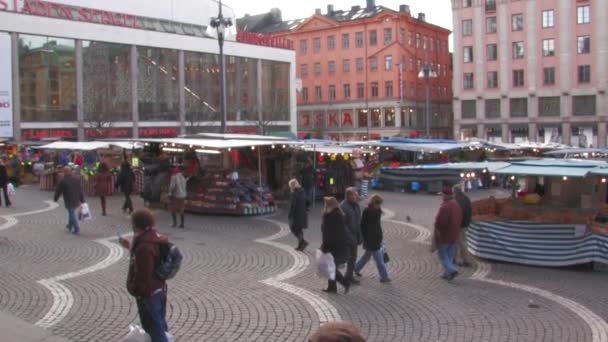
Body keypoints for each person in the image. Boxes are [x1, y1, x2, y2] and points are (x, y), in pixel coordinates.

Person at [118, 209, 170, 342]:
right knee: (159, 324)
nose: (131, 226)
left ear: (137, 225)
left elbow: (144, 274)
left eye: (133, 223)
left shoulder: (143, 247)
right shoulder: (154, 238)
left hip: (148, 293)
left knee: (154, 328)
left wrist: (138, 291)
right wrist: (130, 246)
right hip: (159, 289)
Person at [354, 194, 391, 283]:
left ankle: (356, 268)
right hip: (372, 239)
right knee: (380, 261)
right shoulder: (369, 211)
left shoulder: (375, 210)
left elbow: (374, 225)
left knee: (366, 256)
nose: (380, 206)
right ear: (375, 203)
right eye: (379, 204)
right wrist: (365, 237)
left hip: (374, 238)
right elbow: (363, 226)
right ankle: (384, 277)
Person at [320, 197, 351, 294]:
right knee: (330, 267)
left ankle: (345, 283)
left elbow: (331, 234)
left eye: (326, 204)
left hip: (335, 247)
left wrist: (325, 247)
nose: (324, 206)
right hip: (332, 246)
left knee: (331, 268)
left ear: (330, 205)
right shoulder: (332, 214)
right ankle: (332, 287)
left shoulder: (335, 216)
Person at [434, 187, 463, 281]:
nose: (441, 196)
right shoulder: (456, 205)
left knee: (442, 254)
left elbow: (440, 222)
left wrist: (437, 228)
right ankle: (446, 274)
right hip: (454, 234)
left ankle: (452, 270)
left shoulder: (445, 206)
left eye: (442, 195)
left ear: (446, 196)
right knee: (450, 255)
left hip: (445, 235)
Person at [340, 187, 362, 285]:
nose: (357, 196)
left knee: (353, 258)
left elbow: (358, 222)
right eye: (354, 195)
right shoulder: (343, 206)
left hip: (354, 237)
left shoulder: (356, 206)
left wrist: (359, 236)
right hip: (347, 238)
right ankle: (334, 278)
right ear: (349, 195)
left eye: (357, 194)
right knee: (345, 258)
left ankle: (349, 276)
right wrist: (349, 236)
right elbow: (342, 225)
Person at [54, 166, 84, 234]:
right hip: (76, 199)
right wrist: (82, 199)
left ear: (64, 172)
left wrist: (55, 198)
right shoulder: (76, 179)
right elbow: (80, 190)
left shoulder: (63, 181)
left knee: (72, 213)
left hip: (68, 199)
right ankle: (70, 225)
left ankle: (76, 227)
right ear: (70, 172)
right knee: (71, 212)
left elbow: (58, 191)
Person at [453, 184, 473, 267]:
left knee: (458, 242)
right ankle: (465, 258)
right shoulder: (466, 198)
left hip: (459, 224)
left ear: (455, 191)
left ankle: (460, 260)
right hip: (466, 223)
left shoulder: (456, 200)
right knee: (463, 241)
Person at [288, 179, 309, 251]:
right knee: (299, 230)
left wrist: (290, 215)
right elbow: (308, 201)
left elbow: (292, 205)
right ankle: (301, 245)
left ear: (292, 186)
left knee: (293, 228)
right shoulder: (303, 191)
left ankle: (303, 242)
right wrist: (305, 208)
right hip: (303, 213)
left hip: (296, 214)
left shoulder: (293, 193)